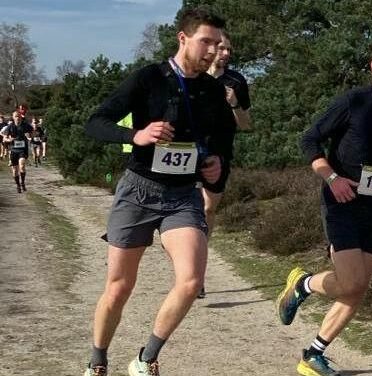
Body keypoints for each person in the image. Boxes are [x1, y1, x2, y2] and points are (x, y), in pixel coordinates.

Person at [82, 8, 233, 376]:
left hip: (182, 195)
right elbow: (95, 123)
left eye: (218, 44)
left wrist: (215, 166)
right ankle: (97, 359)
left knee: (191, 281)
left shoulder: (213, 90)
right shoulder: (149, 78)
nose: (213, 51)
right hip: (139, 190)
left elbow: (224, 143)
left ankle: (145, 358)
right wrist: (136, 134)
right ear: (183, 38)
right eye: (206, 42)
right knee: (119, 287)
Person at [276, 40, 372, 376]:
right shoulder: (353, 101)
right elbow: (308, 139)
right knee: (351, 283)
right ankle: (303, 285)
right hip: (340, 200)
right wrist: (332, 178)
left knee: (358, 287)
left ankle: (313, 354)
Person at [197, 30, 252, 298]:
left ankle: (197, 272)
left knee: (208, 208)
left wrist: (234, 104)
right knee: (184, 209)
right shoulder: (192, 75)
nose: (226, 54)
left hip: (220, 154)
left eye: (229, 49)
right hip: (188, 150)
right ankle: (188, 264)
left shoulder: (237, 81)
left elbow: (246, 124)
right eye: (221, 48)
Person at [3, 111, 33, 193]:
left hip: (23, 150)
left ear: (21, 117)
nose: (17, 118)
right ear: (13, 117)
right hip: (13, 150)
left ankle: (23, 183)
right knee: (15, 170)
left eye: (19, 116)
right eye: (16, 116)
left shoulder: (25, 125)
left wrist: (29, 136)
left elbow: (33, 132)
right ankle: (18, 185)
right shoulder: (10, 126)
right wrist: (9, 139)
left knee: (22, 165)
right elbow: (4, 138)